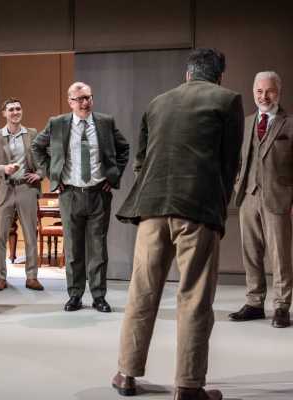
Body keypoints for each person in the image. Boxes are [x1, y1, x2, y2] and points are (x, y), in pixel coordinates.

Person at [112, 49, 244, 400]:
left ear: (187, 75)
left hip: (151, 209)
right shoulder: (228, 100)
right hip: (197, 210)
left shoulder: (157, 102)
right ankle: (187, 385)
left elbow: (141, 161)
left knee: (141, 292)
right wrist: (217, 207)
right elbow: (230, 163)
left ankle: (126, 374)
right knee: (194, 298)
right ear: (218, 76)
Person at [32, 82, 129, 312]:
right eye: (79, 99)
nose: (85, 103)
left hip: (99, 195)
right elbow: (37, 148)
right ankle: (75, 295)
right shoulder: (57, 124)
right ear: (70, 102)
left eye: (88, 98)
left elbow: (123, 148)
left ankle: (98, 296)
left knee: (98, 248)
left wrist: (112, 177)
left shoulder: (105, 122)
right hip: (70, 195)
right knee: (74, 249)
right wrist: (52, 174)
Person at [229, 72, 293, 328]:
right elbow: (237, 159)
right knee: (251, 253)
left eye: (269, 91)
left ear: (279, 91)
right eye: (259, 91)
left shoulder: (289, 124)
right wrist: (237, 186)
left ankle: (281, 306)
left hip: (279, 197)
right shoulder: (246, 123)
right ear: (253, 91)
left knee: (280, 255)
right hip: (248, 196)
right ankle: (255, 302)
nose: (264, 96)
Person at [0, 98, 44, 292]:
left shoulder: (32, 133)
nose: (15, 112)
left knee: (30, 235)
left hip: (26, 188)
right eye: (11, 109)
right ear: (4, 113)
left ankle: (32, 277)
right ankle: (0, 277)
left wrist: (40, 174)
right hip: (4, 191)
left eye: (18, 108)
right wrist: (3, 168)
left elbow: (43, 158)